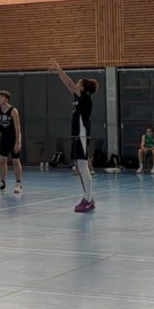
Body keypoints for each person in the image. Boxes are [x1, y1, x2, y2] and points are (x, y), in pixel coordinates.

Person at [49, 59, 98, 213]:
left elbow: (69, 83)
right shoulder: (78, 98)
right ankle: (87, 197)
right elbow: (69, 85)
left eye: (79, 82)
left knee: (82, 165)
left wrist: (58, 69)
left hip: (82, 134)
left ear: (83, 87)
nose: (76, 84)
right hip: (76, 134)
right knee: (78, 165)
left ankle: (88, 199)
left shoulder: (85, 97)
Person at [0, 90, 22, 194]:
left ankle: (18, 183)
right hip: (4, 138)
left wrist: (18, 142)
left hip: (13, 138)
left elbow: (17, 128)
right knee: (2, 160)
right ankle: (2, 183)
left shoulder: (13, 111)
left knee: (16, 161)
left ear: (6, 99)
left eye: (1, 97)